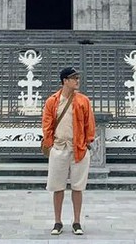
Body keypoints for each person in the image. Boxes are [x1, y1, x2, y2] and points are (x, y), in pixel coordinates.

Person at [42, 66, 96, 236]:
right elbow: (47, 124)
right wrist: (51, 144)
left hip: (78, 148)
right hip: (59, 148)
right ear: (65, 81)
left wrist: (87, 142)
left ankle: (77, 221)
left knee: (77, 187)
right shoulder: (52, 101)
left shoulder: (83, 101)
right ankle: (57, 221)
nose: (77, 81)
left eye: (77, 78)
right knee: (58, 187)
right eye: (74, 78)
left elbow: (90, 124)